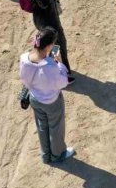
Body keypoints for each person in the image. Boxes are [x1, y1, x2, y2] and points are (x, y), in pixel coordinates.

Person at [20, 27, 75, 164]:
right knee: (56, 129)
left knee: (42, 126)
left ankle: (46, 155)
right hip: (52, 102)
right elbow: (62, 83)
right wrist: (59, 63)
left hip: (35, 99)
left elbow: (25, 80)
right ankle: (57, 155)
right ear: (50, 46)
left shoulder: (24, 58)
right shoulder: (50, 66)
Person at [23, 0, 73, 79]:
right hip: (47, 21)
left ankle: (59, 69)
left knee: (54, 45)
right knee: (58, 45)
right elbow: (43, 3)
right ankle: (63, 73)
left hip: (46, 18)